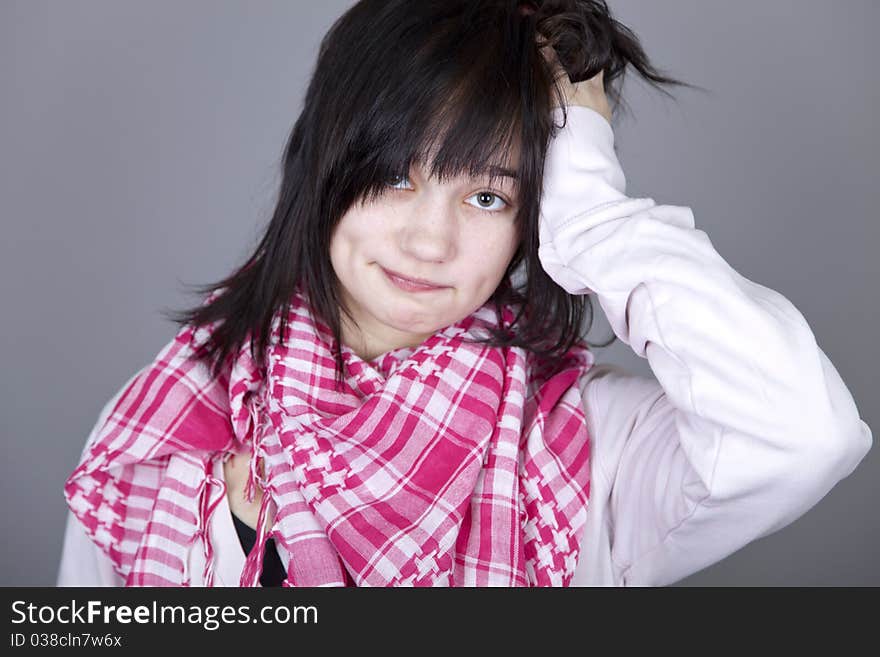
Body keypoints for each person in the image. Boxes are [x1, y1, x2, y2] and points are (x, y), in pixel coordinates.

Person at [58, 0, 872, 587]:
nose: (429, 241)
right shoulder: (166, 426)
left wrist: (589, 203)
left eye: (488, 196)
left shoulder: (586, 448)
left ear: (534, 214)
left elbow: (806, 434)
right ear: (326, 169)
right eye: (395, 177)